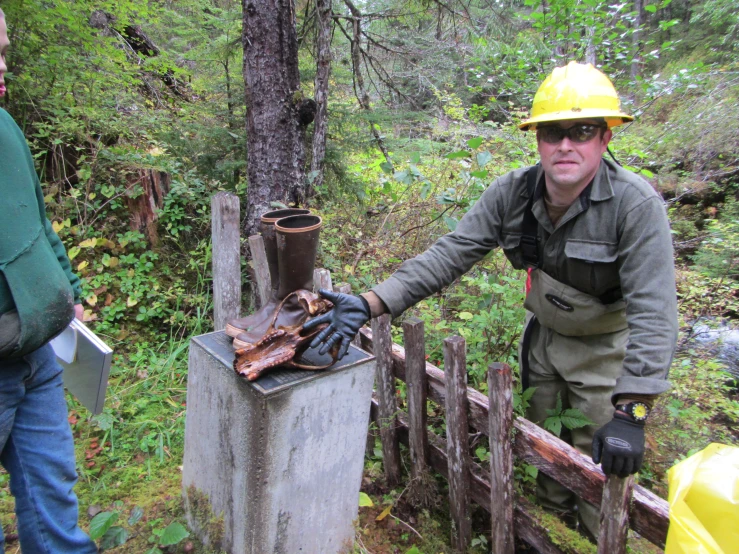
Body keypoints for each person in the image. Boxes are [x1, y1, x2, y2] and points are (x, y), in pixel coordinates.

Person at [306, 61, 678, 540]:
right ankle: (545, 534)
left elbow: (655, 311)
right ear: (537, 139)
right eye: (551, 132)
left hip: (608, 350)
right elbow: (452, 253)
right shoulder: (513, 194)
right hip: (543, 340)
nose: (565, 144)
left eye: (581, 131)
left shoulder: (635, 206)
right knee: (545, 452)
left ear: (605, 138)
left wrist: (633, 412)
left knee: (600, 466)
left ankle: (589, 541)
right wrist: (373, 301)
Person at [0, 9, 98, 553]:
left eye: (5, 51)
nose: (2, 66)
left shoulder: (5, 127)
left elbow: (37, 223)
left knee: (52, 488)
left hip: (37, 352)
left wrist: (69, 291)